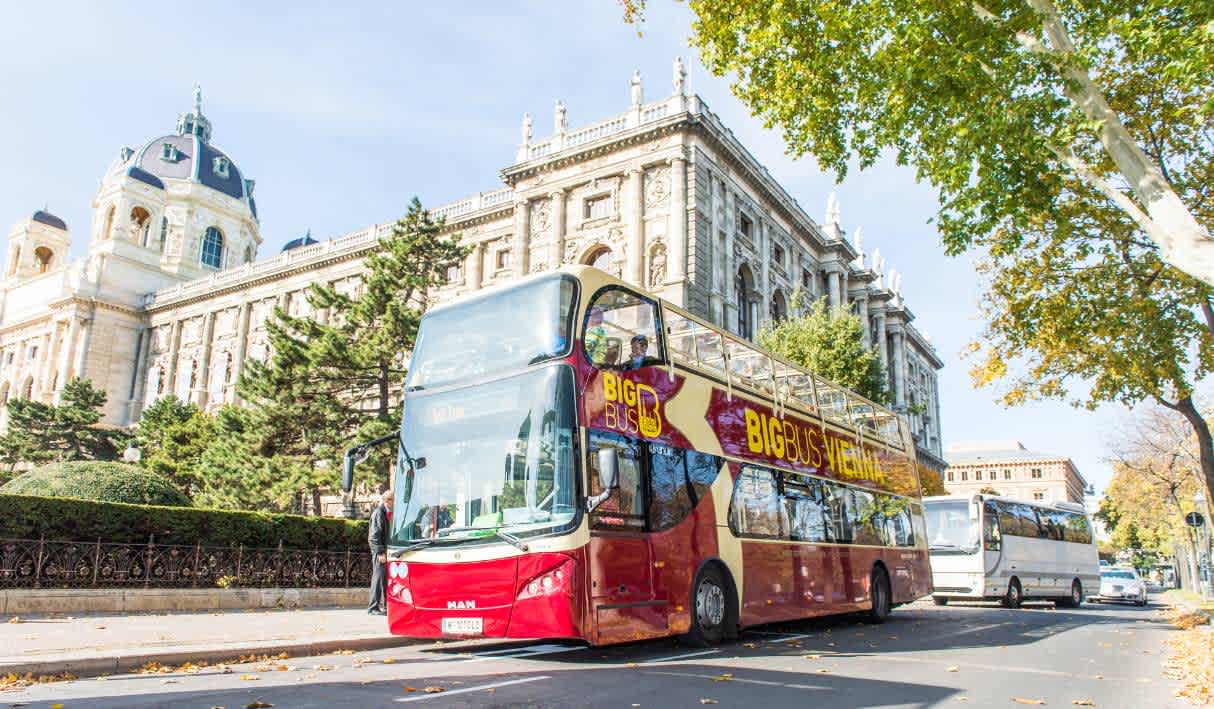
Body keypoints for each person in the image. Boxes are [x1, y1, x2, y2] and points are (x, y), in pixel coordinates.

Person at [367, 489, 393, 615]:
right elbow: (374, 536)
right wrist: (380, 552)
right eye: (393, 500)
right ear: (387, 500)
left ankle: (386, 606)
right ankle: (373, 607)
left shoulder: (385, 512)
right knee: (377, 579)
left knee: (384, 580)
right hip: (380, 552)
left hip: (385, 551)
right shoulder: (379, 513)